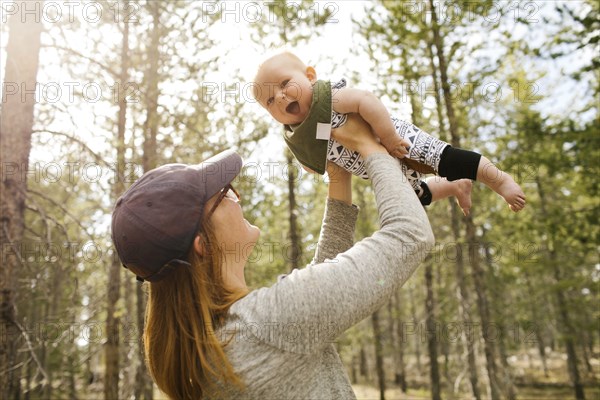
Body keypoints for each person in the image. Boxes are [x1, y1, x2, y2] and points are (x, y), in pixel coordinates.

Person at [111, 115, 434, 399]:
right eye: (225, 194)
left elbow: (317, 299)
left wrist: (338, 179)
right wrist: (369, 144)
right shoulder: (267, 325)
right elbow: (408, 235)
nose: (237, 198)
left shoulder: (203, 353)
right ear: (202, 244)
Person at [252, 51, 527, 214]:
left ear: (310, 76)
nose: (278, 97)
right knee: (417, 196)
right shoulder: (299, 137)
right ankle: (455, 185)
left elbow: (366, 100)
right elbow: (316, 164)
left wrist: (389, 136)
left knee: (445, 158)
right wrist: (312, 165)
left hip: (398, 140)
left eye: (285, 83)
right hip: (378, 167)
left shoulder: (330, 99)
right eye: (268, 101)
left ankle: (499, 180)